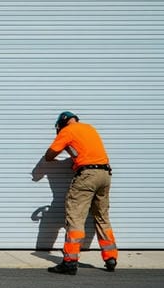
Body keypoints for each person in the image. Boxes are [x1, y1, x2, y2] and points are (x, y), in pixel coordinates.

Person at [44, 111, 118, 275]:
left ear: (61, 123)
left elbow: (49, 155)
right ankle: (110, 257)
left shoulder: (67, 131)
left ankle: (70, 262)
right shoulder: (89, 128)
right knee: (102, 217)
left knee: (75, 217)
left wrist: (60, 153)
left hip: (87, 175)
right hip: (105, 175)